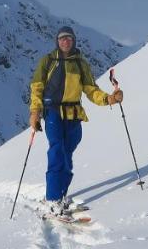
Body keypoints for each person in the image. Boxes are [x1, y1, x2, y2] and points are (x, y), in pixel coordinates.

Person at [29, 26, 122, 217]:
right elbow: (37, 87)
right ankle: (53, 200)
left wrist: (109, 99)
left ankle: (61, 195)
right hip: (53, 111)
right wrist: (35, 112)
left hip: (73, 113)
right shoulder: (48, 61)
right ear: (57, 41)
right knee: (56, 150)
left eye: (69, 39)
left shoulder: (81, 64)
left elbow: (90, 90)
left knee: (67, 154)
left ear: (74, 41)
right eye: (63, 39)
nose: (66, 42)